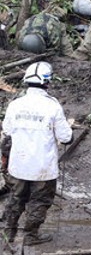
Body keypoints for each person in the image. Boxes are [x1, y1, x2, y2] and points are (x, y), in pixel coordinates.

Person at [1, 62, 73, 246]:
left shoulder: (15, 105)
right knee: (40, 200)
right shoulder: (53, 106)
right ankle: (31, 235)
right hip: (43, 167)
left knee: (15, 199)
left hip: (18, 164)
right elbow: (65, 137)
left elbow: (7, 131)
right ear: (47, 82)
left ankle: (8, 234)